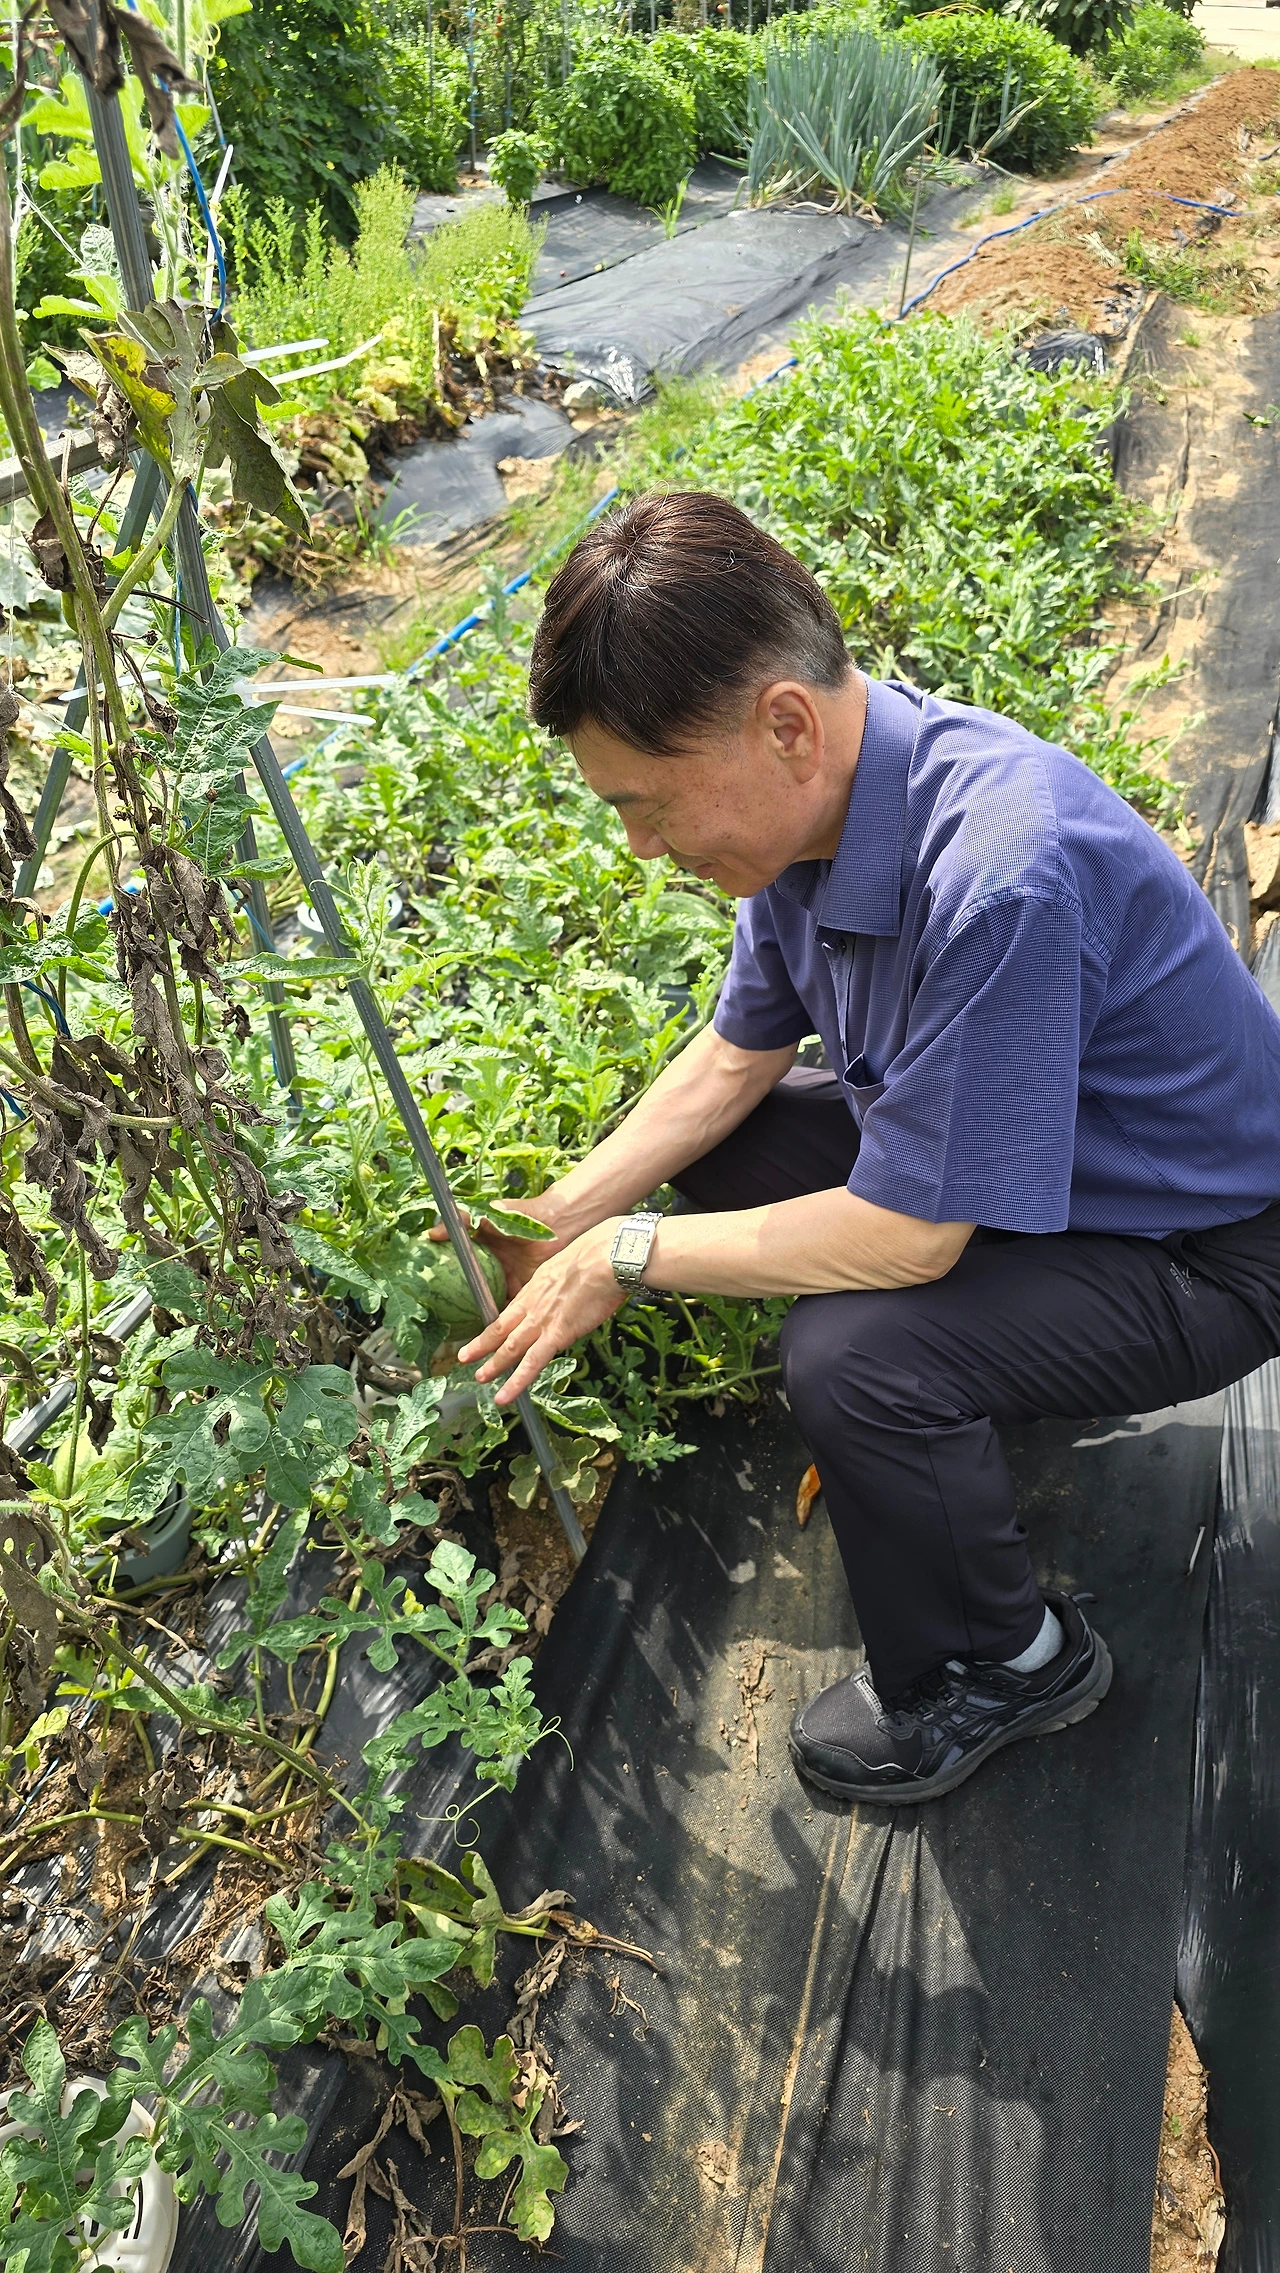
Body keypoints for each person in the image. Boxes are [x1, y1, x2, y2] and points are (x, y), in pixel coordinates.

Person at [452, 490, 1280, 1806]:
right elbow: (734, 1060)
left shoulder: (1001, 868)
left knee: (855, 1352)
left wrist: (628, 1253)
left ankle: (1007, 1662)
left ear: (784, 723)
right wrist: (559, 1218)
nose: (642, 846)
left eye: (650, 805)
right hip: (1051, 1183)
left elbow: (908, 1238)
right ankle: (968, 1420)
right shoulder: (817, 819)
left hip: (1200, 1251)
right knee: (732, 1161)